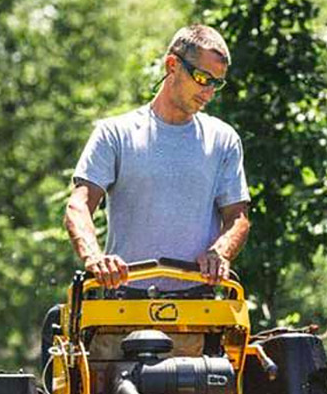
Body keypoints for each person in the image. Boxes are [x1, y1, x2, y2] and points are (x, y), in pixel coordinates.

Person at [65, 24, 251, 293]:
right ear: (172, 65)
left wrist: (219, 252)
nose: (209, 92)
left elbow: (237, 217)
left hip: (197, 308)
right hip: (123, 304)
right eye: (202, 78)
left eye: (216, 83)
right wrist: (94, 257)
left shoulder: (223, 139)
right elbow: (78, 205)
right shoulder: (116, 133)